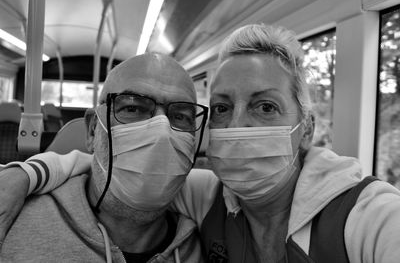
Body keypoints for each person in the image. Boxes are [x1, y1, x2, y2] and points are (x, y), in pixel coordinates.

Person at [2, 24, 400, 262]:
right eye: (223, 108)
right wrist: (26, 172)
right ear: (94, 129)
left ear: (307, 128)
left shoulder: (366, 218)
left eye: (265, 106)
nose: (238, 127)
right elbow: (106, 168)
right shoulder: (208, 197)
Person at [0, 52, 210, 262]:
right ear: (93, 130)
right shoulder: (11, 218)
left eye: (181, 116)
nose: (162, 133)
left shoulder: (209, 238)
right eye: (132, 108)